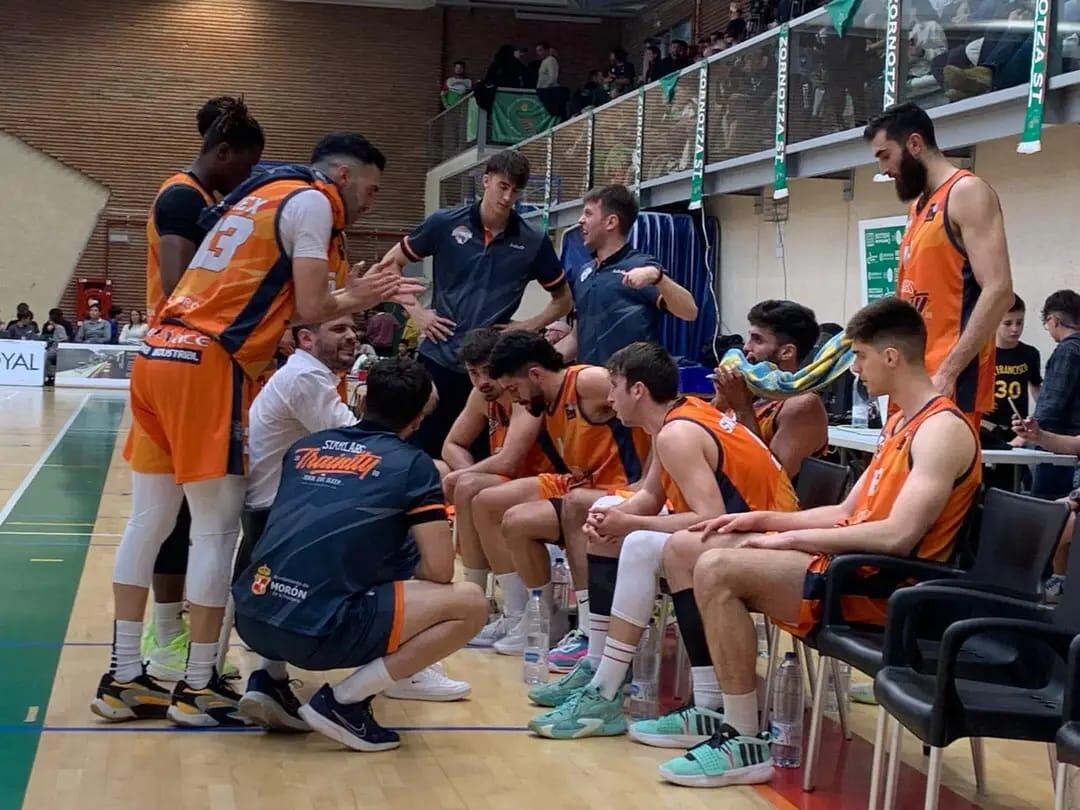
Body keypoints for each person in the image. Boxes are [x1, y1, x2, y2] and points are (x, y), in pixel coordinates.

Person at [91, 130, 424, 727]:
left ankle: (122, 677)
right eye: (371, 189)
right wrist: (365, 292)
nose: (371, 203)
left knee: (149, 520)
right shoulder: (316, 201)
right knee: (217, 531)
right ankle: (198, 686)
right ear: (343, 177)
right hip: (207, 359)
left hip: (158, 349)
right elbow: (311, 310)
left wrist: (352, 288)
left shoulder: (259, 195)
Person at [652, 297, 981, 789]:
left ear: (891, 357)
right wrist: (765, 520)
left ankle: (743, 738)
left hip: (887, 590)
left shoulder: (942, 430)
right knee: (690, 546)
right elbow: (849, 512)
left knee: (719, 568)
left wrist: (787, 539)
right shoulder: (902, 423)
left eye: (862, 358)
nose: (856, 371)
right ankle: (708, 704)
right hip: (854, 565)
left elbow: (897, 536)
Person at [525, 342, 797, 740]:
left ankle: (609, 688)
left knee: (641, 542)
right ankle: (601, 670)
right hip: (742, 528)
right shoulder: (670, 422)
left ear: (638, 390)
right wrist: (613, 518)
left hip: (774, 536)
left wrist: (628, 524)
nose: (610, 397)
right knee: (613, 520)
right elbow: (650, 499)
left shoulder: (677, 433)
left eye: (614, 386)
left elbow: (709, 516)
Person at [233, 358, 487, 751]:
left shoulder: (304, 447)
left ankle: (270, 679)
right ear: (419, 418)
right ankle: (345, 702)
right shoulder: (414, 466)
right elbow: (438, 570)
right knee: (470, 602)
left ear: (363, 399)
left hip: (250, 617)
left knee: (311, 551)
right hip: (315, 633)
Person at [135, 96, 265, 681]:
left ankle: (173, 641)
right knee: (185, 521)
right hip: (185, 364)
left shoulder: (205, 197)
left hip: (179, 364)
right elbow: (178, 285)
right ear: (223, 149)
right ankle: (170, 641)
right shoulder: (184, 196)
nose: (249, 179)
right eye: (246, 165)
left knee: (179, 519)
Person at [378, 150, 572, 458]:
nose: (508, 198)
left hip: (491, 369)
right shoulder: (444, 223)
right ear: (486, 181)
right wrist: (417, 313)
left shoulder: (533, 240)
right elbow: (389, 265)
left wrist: (525, 326)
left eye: (515, 191)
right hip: (438, 357)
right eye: (502, 186)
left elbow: (563, 300)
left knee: (482, 453)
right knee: (422, 449)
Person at [469, 332, 651, 654]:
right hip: (579, 480)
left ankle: (583, 627)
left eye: (514, 389)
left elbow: (661, 414)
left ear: (535, 375)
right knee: (486, 502)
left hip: (616, 487)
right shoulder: (545, 399)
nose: (514, 400)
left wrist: (650, 482)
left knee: (522, 520)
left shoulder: (588, 382)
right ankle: (521, 615)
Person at [865, 102, 1013, 427]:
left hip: (947, 383)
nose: (883, 169)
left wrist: (948, 371)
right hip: (908, 378)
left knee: (936, 477)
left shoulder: (967, 192)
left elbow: (1000, 290)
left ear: (914, 144)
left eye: (885, 155)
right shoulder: (918, 206)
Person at [440, 328, 557, 594]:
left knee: (468, 485)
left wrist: (464, 477)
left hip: (547, 482)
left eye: (487, 371)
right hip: (514, 483)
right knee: (462, 481)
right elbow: (452, 445)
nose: (482, 381)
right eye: (473, 373)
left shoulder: (522, 394)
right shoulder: (481, 396)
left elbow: (509, 462)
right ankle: (478, 596)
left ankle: (484, 597)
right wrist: (465, 473)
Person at [557, 184, 698, 366]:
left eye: (588, 213)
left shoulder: (640, 266)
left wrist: (658, 277)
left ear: (611, 222)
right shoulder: (584, 272)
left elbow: (690, 311)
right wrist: (536, 363)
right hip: (590, 385)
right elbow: (577, 338)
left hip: (630, 386)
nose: (581, 220)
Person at [710, 300, 829, 478]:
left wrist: (742, 408)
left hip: (766, 505)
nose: (746, 347)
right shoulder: (752, 391)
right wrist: (720, 402)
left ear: (786, 352)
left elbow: (771, 480)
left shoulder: (802, 405)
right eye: (749, 337)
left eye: (757, 340)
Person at [1027, 290, 1080, 499]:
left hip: (1060, 449)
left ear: (1053, 320)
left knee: (1048, 516)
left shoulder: (1068, 351)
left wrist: (1028, 435)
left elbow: (1052, 403)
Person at [988, 294, 1041, 440]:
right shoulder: (983, 353)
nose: (1014, 329)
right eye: (1007, 323)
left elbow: (1036, 387)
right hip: (987, 426)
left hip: (1018, 427)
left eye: (1019, 323)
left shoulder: (1030, 354)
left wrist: (1042, 416)